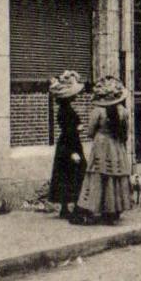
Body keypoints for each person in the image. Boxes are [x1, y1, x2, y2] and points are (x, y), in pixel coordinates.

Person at [74, 74, 133, 225]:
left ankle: (97, 208)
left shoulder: (97, 111)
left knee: (99, 175)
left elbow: (90, 132)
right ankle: (114, 211)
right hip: (116, 146)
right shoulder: (123, 112)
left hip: (101, 145)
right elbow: (126, 133)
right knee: (115, 175)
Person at [47, 70, 86, 219]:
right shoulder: (66, 111)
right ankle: (75, 206)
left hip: (66, 144)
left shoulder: (64, 109)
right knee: (76, 174)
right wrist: (72, 152)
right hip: (70, 145)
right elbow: (69, 131)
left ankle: (65, 207)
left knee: (65, 175)